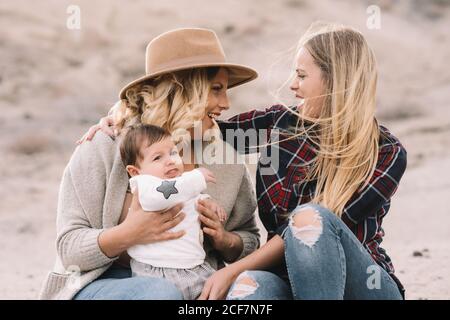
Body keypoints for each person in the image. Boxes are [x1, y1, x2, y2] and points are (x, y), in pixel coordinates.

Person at [85, 22, 408, 300]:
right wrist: (124, 115)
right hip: (284, 280)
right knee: (249, 290)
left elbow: (308, 232)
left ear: (335, 80)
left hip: (361, 286)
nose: (292, 85)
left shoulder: (387, 152)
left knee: (310, 219)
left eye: (301, 75)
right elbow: (196, 121)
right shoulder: (279, 126)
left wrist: (232, 270)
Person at [38, 28, 260, 300]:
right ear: (179, 91)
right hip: (106, 283)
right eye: (215, 89)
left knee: (259, 291)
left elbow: (249, 238)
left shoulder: (226, 159)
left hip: (194, 282)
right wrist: (128, 233)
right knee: (159, 293)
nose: (225, 103)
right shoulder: (104, 145)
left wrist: (226, 240)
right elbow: (69, 249)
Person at [120, 123, 226, 300]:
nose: (170, 160)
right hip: (156, 272)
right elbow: (162, 195)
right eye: (157, 158)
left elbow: (191, 196)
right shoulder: (144, 185)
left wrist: (208, 203)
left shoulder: (182, 183)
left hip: (195, 269)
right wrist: (195, 178)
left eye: (173, 153)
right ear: (135, 171)